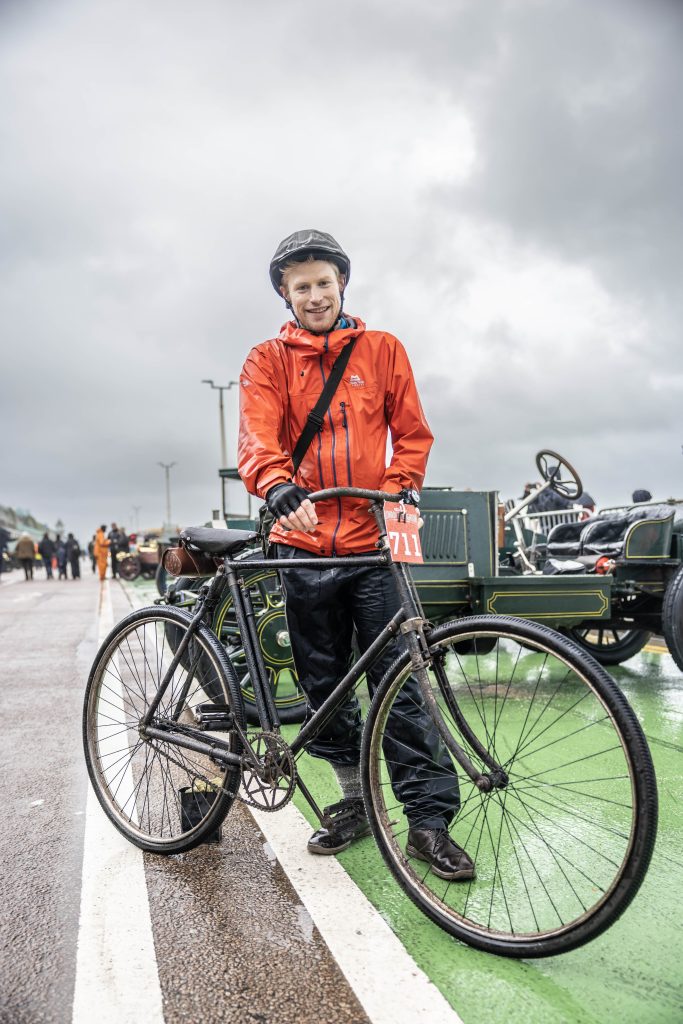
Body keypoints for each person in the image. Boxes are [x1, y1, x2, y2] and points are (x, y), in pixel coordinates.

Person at [238, 229, 473, 880]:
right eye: (300, 285)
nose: (314, 295)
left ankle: (427, 823)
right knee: (324, 687)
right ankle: (354, 801)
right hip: (302, 546)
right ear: (284, 294)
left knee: (400, 685)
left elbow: (412, 435)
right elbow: (257, 438)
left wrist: (395, 492)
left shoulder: (382, 350)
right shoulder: (266, 361)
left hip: (372, 544)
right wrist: (279, 485)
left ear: (342, 283)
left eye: (323, 281)